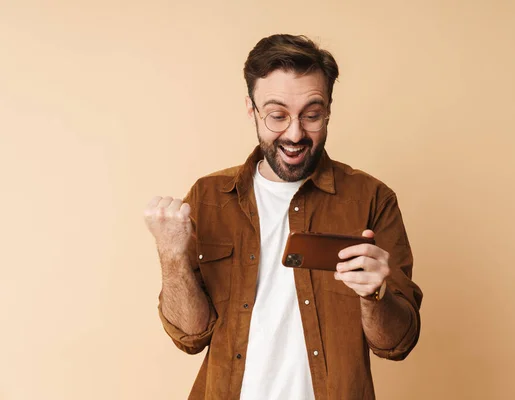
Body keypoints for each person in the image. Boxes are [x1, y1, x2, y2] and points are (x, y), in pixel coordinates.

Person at [144, 34, 423, 400]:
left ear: (328, 110)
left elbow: (397, 344)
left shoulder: (372, 199)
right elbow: (190, 335)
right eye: (277, 115)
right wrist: (171, 256)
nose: (295, 133)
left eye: (312, 115)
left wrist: (375, 294)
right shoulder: (209, 197)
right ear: (251, 110)